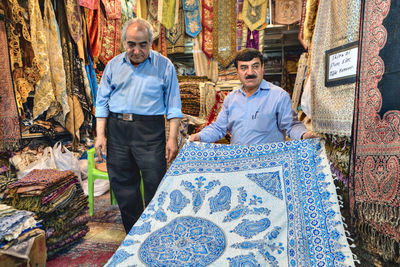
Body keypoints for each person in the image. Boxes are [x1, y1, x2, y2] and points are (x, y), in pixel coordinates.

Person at [95, 18, 183, 233]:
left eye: (143, 44)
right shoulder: (113, 65)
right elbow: (101, 102)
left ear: (151, 42)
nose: (136, 50)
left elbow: (173, 105)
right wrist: (100, 136)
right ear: (124, 42)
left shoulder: (164, 66)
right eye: (131, 44)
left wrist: (172, 138)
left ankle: (154, 232)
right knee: (123, 185)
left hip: (150, 131)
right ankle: (133, 234)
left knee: (155, 183)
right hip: (117, 130)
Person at [190, 48, 315, 144]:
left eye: (255, 66)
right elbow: (218, 128)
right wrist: (199, 136)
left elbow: (291, 125)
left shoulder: (279, 96)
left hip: (268, 166)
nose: (250, 72)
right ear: (237, 72)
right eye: (244, 68)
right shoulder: (231, 99)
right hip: (239, 165)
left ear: (262, 68)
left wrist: (304, 134)